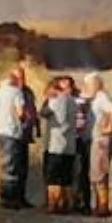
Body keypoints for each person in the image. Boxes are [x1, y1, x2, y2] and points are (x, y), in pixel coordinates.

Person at [0, 68, 27, 210]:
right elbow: (21, 113)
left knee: (3, 165)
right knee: (12, 167)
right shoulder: (16, 93)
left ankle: (4, 196)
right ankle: (11, 199)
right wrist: (21, 119)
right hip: (12, 133)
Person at [39, 76, 77, 213]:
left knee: (53, 178)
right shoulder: (73, 101)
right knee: (66, 178)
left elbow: (43, 113)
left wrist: (47, 99)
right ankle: (65, 204)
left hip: (55, 145)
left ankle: (53, 204)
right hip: (70, 145)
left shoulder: (55, 101)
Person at [84, 72, 112, 218]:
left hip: (101, 141)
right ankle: (100, 205)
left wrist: (109, 127)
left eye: (88, 84)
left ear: (96, 84)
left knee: (99, 173)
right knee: (97, 173)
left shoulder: (102, 97)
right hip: (97, 140)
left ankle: (103, 207)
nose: (86, 87)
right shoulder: (96, 97)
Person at [11, 65, 39, 208]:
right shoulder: (11, 93)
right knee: (14, 167)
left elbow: (33, 109)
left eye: (22, 77)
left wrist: (36, 127)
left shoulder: (28, 92)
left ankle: (22, 197)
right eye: (17, 78)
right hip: (15, 134)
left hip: (26, 134)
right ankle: (13, 199)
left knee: (23, 168)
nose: (21, 80)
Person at [69, 75, 94, 215]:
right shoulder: (81, 100)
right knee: (78, 173)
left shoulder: (82, 101)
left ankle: (83, 203)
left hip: (82, 140)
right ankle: (78, 202)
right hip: (77, 139)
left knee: (81, 173)